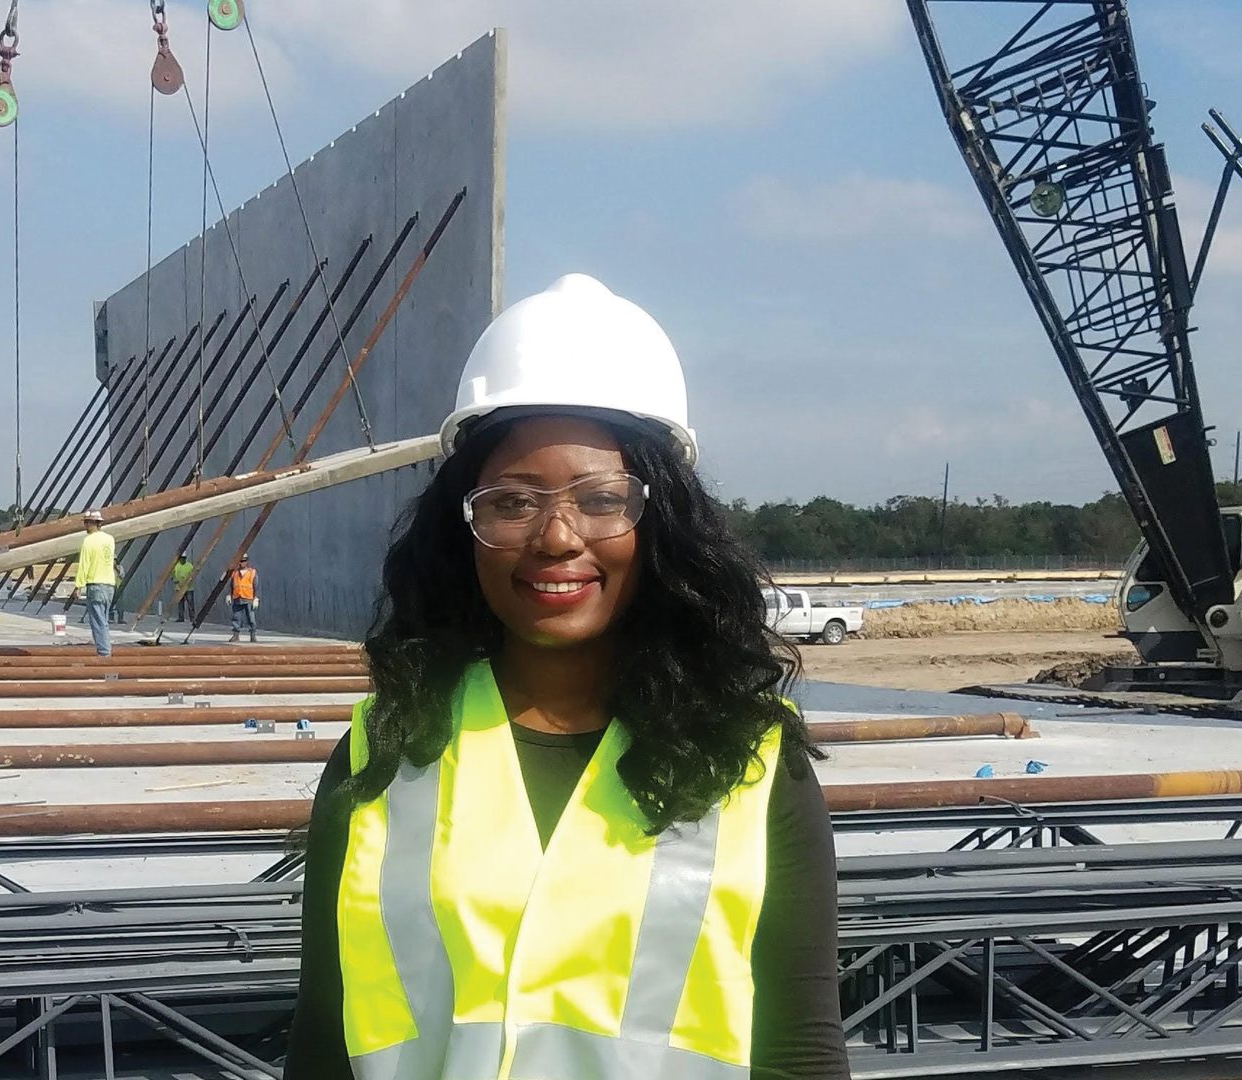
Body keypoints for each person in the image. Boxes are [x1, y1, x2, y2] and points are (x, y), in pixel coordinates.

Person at [286, 274, 847, 1079]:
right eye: (512, 502)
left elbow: (800, 1052)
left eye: (601, 499)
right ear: (465, 526)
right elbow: (324, 1038)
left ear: (662, 523)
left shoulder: (750, 762)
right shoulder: (389, 748)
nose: (556, 536)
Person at [68, 509, 116, 657]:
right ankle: (106, 650)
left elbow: (84, 564)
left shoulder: (88, 541)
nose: (85, 526)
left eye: (87, 523)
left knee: (98, 622)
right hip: (109, 585)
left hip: (95, 585)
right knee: (104, 621)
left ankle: (104, 654)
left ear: (93, 523)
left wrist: (78, 586)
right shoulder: (110, 539)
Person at [227, 553, 258, 642]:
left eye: (244, 561)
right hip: (238, 598)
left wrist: (255, 598)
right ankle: (236, 635)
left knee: (251, 618)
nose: (242, 563)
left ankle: (253, 635)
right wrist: (230, 595)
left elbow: (255, 585)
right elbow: (232, 585)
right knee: (236, 617)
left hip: (248, 598)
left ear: (247, 562)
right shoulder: (235, 573)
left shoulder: (252, 572)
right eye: (240, 561)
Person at [171, 551, 198, 623]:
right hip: (179, 587)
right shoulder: (176, 566)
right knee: (180, 603)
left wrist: (189, 581)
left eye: (184, 558)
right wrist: (175, 580)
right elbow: (173, 575)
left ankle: (192, 618)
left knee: (190, 603)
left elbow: (193, 574)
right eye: (182, 558)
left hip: (188, 588)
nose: (183, 560)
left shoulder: (189, 566)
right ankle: (181, 617)